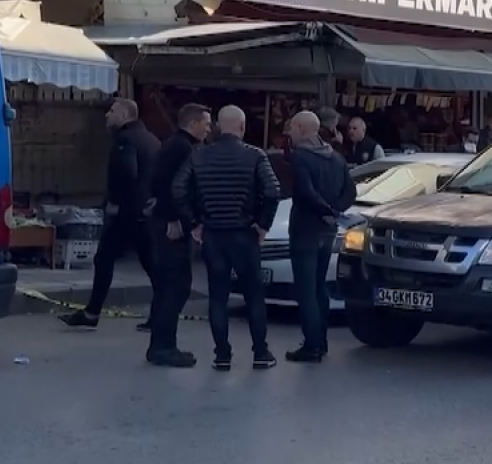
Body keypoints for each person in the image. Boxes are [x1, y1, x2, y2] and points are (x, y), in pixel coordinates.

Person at [172, 105, 280, 371]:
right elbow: (273, 190)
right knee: (254, 295)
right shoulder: (255, 156)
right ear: (242, 127)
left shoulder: (199, 155)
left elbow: (178, 189)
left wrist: (194, 223)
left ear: (219, 126)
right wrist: (263, 225)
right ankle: (261, 353)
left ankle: (222, 354)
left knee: (218, 296)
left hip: (213, 234)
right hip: (245, 234)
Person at [60, 99, 160, 330]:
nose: (107, 115)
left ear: (125, 115)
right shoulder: (152, 140)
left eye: (112, 111)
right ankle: (160, 315)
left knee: (104, 259)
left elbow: (127, 174)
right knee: (151, 265)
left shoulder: (125, 141)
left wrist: (114, 202)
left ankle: (92, 313)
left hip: (127, 212)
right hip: (145, 212)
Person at [284, 110, 356, 362]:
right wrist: (335, 212)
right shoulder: (335, 157)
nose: (289, 133)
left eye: (292, 128)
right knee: (319, 287)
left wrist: (325, 211)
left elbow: (305, 191)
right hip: (328, 229)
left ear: (302, 129)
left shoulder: (300, 157)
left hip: (305, 228)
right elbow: (351, 192)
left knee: (306, 289)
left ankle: (312, 344)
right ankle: (321, 341)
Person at [144, 103, 211, 368]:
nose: (209, 127)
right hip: (171, 224)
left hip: (172, 221)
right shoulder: (181, 148)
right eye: (206, 122)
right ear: (193, 123)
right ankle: (164, 347)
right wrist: (174, 218)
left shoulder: (178, 146)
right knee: (176, 286)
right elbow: (165, 183)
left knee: (168, 286)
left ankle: (160, 345)